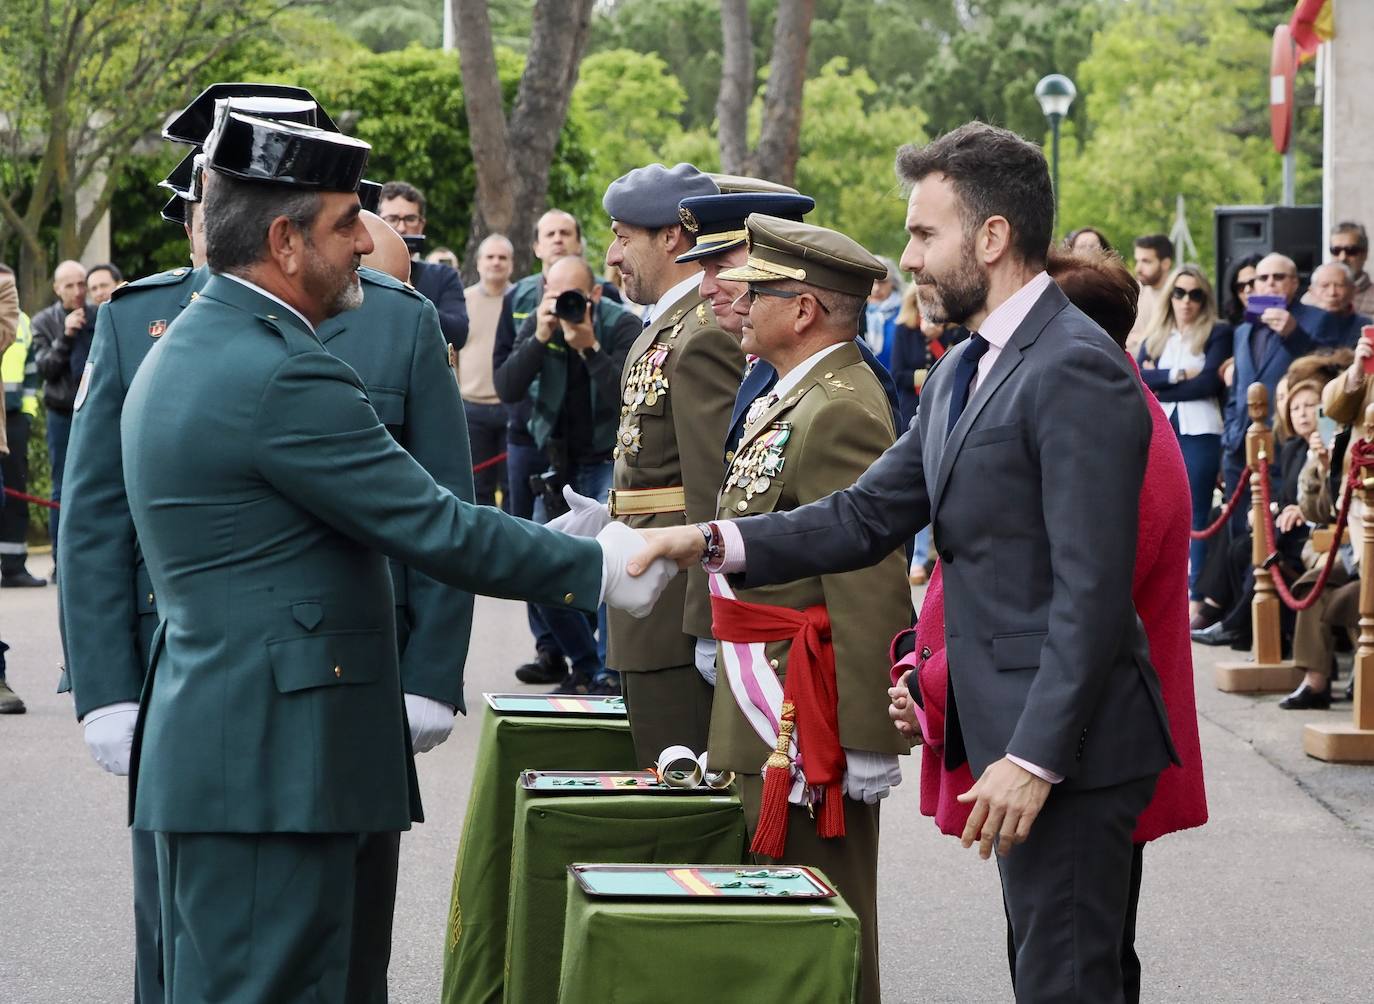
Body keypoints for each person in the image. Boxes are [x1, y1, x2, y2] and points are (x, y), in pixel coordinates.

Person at [112, 106, 671, 1002]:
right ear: (286, 241)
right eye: (345, 227)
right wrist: (603, 568)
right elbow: (432, 523)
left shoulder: (204, 339)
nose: (364, 249)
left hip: (246, 757)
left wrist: (564, 542)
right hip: (273, 770)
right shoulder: (281, 369)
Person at [631, 122, 1178, 1003]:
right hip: (1016, 731)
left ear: (992, 237)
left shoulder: (1076, 367)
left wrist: (1035, 758)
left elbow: (1091, 590)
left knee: (1066, 980)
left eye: (925, 234)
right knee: (1052, 971)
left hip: (1072, 749)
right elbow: (864, 515)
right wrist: (707, 542)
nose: (908, 258)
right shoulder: (967, 369)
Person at [57, 83, 455, 1004]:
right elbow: (94, 521)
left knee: (345, 945)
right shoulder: (139, 320)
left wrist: (431, 673)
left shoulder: (393, 320)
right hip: (193, 682)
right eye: (202, 187)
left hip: (358, 679)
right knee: (189, 944)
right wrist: (109, 690)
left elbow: (437, 505)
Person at [891, 247, 1206, 1004]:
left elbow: (1068, 608)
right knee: (1069, 959)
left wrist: (933, 688)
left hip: (1077, 742)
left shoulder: (1099, 414)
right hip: (1055, 731)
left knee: (1067, 972)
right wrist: (922, 673)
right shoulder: (1086, 402)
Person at [705, 214, 909, 1004]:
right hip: (767, 694)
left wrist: (864, 735)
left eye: (756, 289)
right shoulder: (791, 396)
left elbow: (866, 574)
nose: (736, 299)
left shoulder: (843, 406)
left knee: (821, 910)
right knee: (775, 910)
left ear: (801, 311)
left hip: (807, 712)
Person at [598, 162, 744, 762]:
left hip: (676, 617)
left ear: (672, 237)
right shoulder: (669, 326)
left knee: (679, 801)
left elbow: (716, 489)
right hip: (649, 598)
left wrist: (710, 623)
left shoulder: (702, 331)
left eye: (623, 236)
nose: (612, 256)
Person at [493, 253, 641, 694]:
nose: (563, 305)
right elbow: (507, 388)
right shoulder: (541, 323)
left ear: (595, 293)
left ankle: (611, 674)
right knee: (535, 567)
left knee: (609, 565)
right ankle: (586, 665)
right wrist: (539, 338)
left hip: (606, 460)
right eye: (554, 295)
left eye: (573, 296)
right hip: (558, 466)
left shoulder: (620, 325)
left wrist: (590, 347)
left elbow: (629, 399)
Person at [1135, 264, 1231, 601]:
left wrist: (1161, 381)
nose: (1186, 301)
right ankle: (1163, 591)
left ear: (1204, 298)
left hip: (1201, 430)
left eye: (1195, 294)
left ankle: (1194, 595)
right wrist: (1178, 374)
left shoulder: (1217, 331)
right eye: (1179, 293)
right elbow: (1139, 378)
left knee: (1198, 512)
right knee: (1159, 510)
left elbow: (1207, 383)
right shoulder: (1156, 334)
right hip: (1159, 429)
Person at [1220, 252, 1327, 532]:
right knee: (1239, 536)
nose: (1270, 284)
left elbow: (1325, 369)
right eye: (1262, 278)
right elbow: (1237, 389)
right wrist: (1231, 433)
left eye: (1279, 277)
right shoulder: (1243, 330)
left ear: (1294, 283)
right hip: (1240, 447)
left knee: (1278, 532)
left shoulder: (1314, 320)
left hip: (1285, 443)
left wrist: (1294, 334)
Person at [30, 258, 92, 561]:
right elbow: (46, 369)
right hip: (62, 415)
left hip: (95, 413)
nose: (78, 291)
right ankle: (60, 559)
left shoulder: (100, 315)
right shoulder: (43, 322)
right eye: (70, 285)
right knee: (61, 487)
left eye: (82, 283)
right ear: (57, 289)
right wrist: (65, 336)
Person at [378, 180, 470, 348]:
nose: (401, 227)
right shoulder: (360, 274)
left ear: (421, 225)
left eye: (410, 219)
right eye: (392, 219)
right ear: (376, 221)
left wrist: (410, 294)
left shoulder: (443, 276)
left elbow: (458, 334)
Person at [460, 233, 514, 507]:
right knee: (478, 486)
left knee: (512, 485)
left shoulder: (520, 300)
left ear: (511, 264)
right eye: (490, 257)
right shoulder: (463, 301)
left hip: (510, 407)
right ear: (479, 263)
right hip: (471, 408)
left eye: (502, 257)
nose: (496, 263)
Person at [0, 262, 43, 589]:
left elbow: (32, 372)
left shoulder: (21, 320)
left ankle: (14, 565)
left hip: (13, 420)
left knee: (14, 497)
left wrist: (27, 415)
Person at [888, 281, 934, 584]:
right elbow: (899, 373)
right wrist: (930, 376)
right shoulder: (906, 330)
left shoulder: (955, 331)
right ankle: (917, 557)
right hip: (914, 408)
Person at [1125, 233, 1174, 353]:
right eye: (1137, 261)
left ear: (1165, 264)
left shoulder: (1180, 296)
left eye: (1146, 261)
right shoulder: (1132, 291)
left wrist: (1141, 339)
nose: (1138, 268)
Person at [1305, 260, 1371, 347]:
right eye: (1325, 285)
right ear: (1311, 291)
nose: (1332, 293)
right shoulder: (1299, 323)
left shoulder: (1365, 326)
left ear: (1353, 290)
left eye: (1340, 285)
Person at [863, 256, 902, 370]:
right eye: (871, 282)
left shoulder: (905, 313)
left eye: (882, 282)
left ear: (893, 283)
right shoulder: (853, 313)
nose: (876, 288)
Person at [1328, 221, 1374, 317]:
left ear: (1364, 254)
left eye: (1351, 251)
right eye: (1336, 250)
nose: (1342, 257)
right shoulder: (1314, 296)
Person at [1222, 252, 1264, 327]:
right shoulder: (1233, 329)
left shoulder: (1287, 321)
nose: (1247, 290)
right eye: (1240, 286)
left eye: (1252, 283)